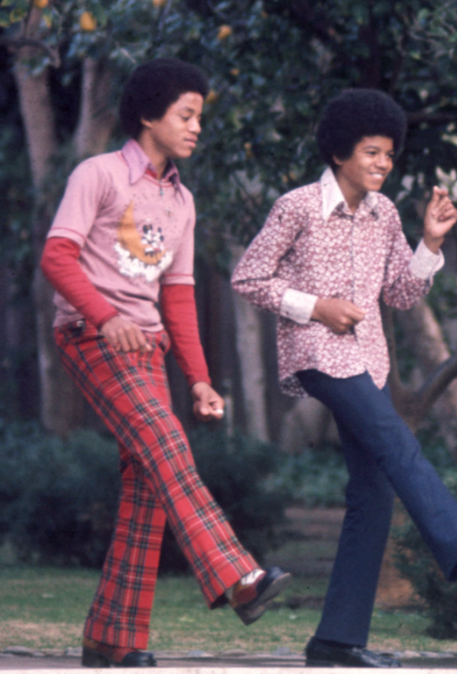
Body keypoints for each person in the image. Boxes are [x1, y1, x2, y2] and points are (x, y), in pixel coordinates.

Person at [232, 89, 457, 669]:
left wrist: (430, 242)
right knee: (394, 441)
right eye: (371, 152)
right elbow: (249, 277)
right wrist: (317, 307)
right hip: (317, 353)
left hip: (370, 360)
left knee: (373, 491)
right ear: (340, 152)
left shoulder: (384, 213)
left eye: (389, 153)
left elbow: (401, 295)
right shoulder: (297, 207)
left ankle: (336, 641)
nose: (384, 163)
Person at [39, 57, 291, 668]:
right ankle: (237, 576)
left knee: (149, 485)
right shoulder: (99, 174)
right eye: (186, 115)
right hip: (91, 336)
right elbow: (57, 257)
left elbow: (178, 296)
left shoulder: (182, 200)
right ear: (150, 116)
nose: (196, 126)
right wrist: (107, 318)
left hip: (146, 348)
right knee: (166, 443)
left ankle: (111, 639)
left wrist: (199, 379)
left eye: (199, 117)